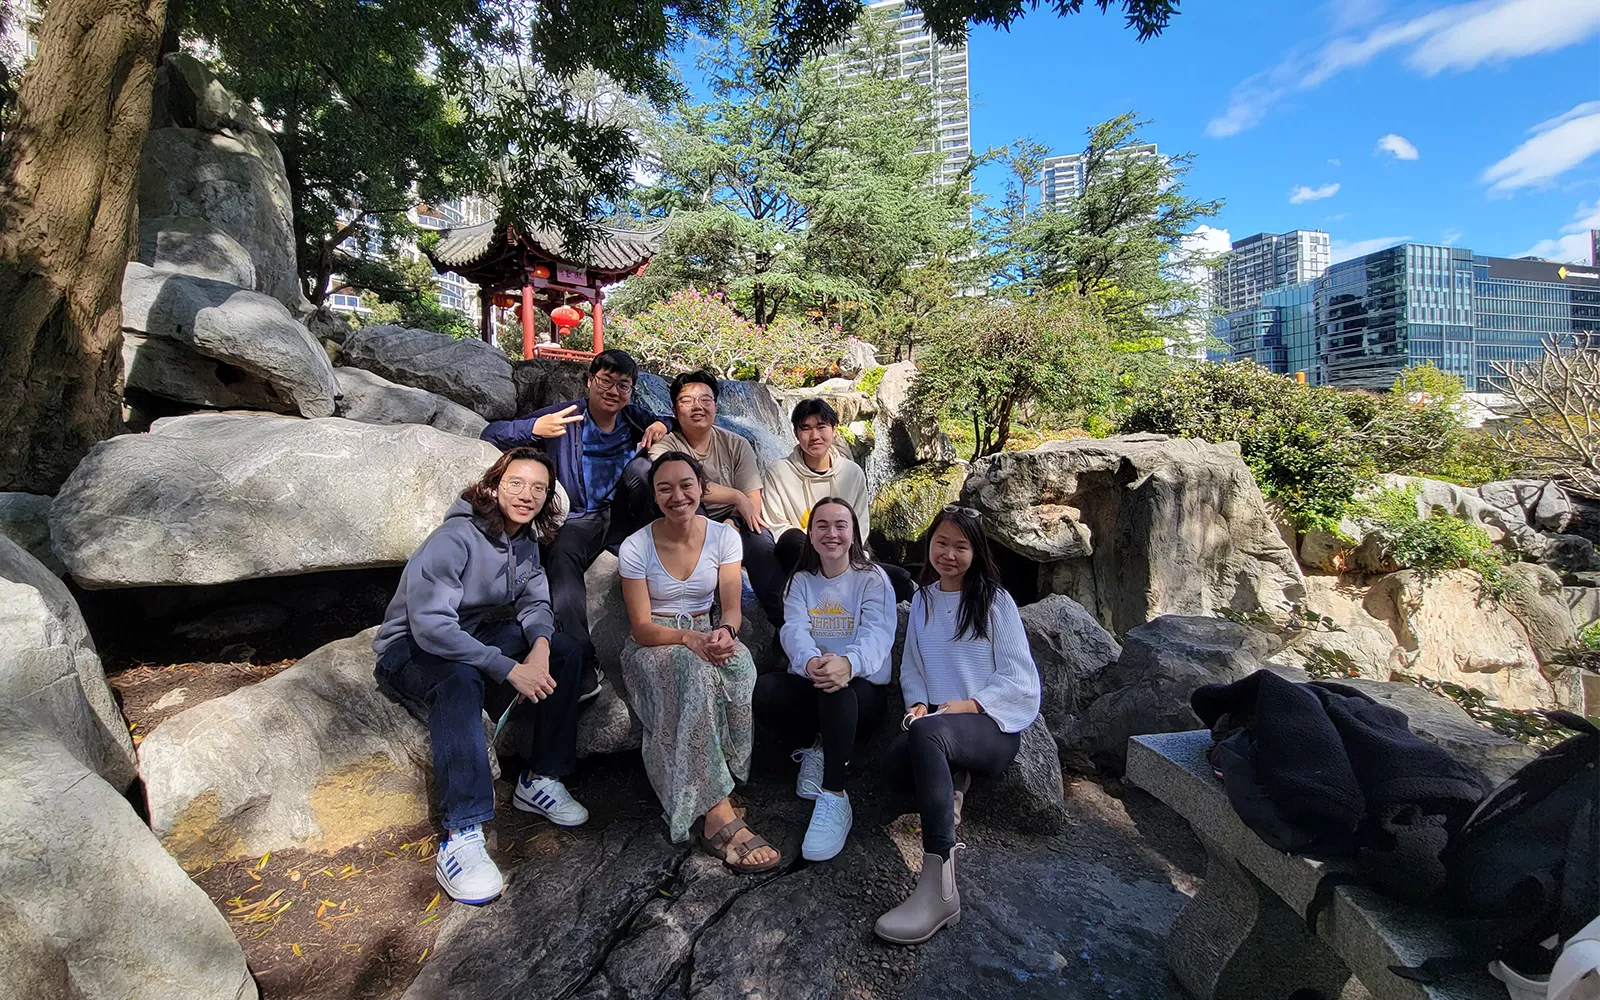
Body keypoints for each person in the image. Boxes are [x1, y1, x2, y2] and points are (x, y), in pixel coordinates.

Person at [373, 447, 588, 906]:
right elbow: (430, 625)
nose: (526, 495)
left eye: (538, 488)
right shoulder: (454, 538)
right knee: (460, 682)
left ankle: (540, 780)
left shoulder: (527, 539)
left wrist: (541, 651)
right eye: (516, 483)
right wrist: (509, 669)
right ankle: (462, 833)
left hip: (474, 633)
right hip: (409, 647)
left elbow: (534, 604)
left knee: (567, 651)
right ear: (493, 485)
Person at [875, 505, 1042, 945]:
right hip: (939, 725)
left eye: (961, 546)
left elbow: (1020, 679)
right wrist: (915, 705)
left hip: (989, 725)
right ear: (929, 545)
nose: (949, 554)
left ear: (976, 551)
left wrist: (966, 705)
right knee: (893, 768)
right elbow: (911, 667)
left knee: (928, 735)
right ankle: (954, 780)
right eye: (941, 543)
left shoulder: (994, 600)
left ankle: (939, 888)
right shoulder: (925, 600)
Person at [617, 451, 780, 872]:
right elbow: (640, 628)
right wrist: (689, 638)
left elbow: (730, 609)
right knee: (694, 673)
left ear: (702, 488)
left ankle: (723, 775)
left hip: (707, 634)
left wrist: (724, 634)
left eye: (686, 485)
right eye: (665, 488)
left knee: (740, 664)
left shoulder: (725, 538)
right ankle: (717, 814)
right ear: (655, 496)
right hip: (656, 644)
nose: (677, 495)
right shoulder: (636, 547)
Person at [481, 350, 670, 698]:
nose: (613, 391)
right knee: (562, 558)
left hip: (626, 516)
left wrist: (662, 424)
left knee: (645, 470)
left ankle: (657, 547)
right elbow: (490, 433)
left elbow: (668, 422)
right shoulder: (564, 417)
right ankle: (583, 659)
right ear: (590, 381)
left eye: (623, 385)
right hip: (582, 517)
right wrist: (532, 428)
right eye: (605, 381)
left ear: (631, 391)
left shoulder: (633, 418)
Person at [753, 497, 894, 862]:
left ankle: (835, 794)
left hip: (863, 692)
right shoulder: (800, 581)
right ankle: (816, 746)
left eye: (840, 526)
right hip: (814, 679)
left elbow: (879, 634)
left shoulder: (872, 578)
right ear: (811, 536)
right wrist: (810, 659)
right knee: (767, 690)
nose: (832, 534)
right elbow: (793, 630)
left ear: (853, 534)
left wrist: (847, 663)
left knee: (837, 689)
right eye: (822, 526)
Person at [649, 371, 785, 628]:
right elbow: (682, 490)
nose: (697, 406)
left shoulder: (737, 444)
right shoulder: (666, 446)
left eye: (705, 399)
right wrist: (734, 495)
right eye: (687, 400)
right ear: (675, 409)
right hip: (686, 518)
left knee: (760, 540)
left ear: (716, 405)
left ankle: (783, 624)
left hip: (732, 520)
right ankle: (705, 617)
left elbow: (752, 500)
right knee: (694, 518)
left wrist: (733, 522)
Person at [764, 398, 914, 602]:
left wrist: (839, 556)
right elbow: (777, 526)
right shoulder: (778, 472)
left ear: (834, 430)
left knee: (901, 579)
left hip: (847, 559)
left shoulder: (852, 473)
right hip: (801, 558)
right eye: (806, 428)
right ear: (796, 434)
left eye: (821, 426)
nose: (814, 436)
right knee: (792, 539)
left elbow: (860, 526)